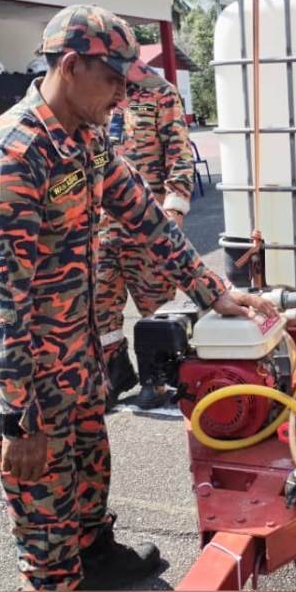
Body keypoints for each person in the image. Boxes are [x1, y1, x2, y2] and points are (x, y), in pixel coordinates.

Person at [0, 4, 276, 592]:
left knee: (87, 484)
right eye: (113, 82)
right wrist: (16, 419)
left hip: (76, 361)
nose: (122, 98)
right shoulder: (12, 155)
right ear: (73, 66)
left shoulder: (86, 144)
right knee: (46, 529)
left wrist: (216, 292)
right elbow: (2, 296)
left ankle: (98, 559)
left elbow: (145, 217)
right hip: (32, 385)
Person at [95, 62, 195, 408]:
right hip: (102, 227)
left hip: (148, 224)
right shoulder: (97, 93)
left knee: (156, 306)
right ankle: (115, 373)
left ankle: (160, 379)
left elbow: (180, 154)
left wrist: (175, 208)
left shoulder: (160, 92)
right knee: (101, 307)